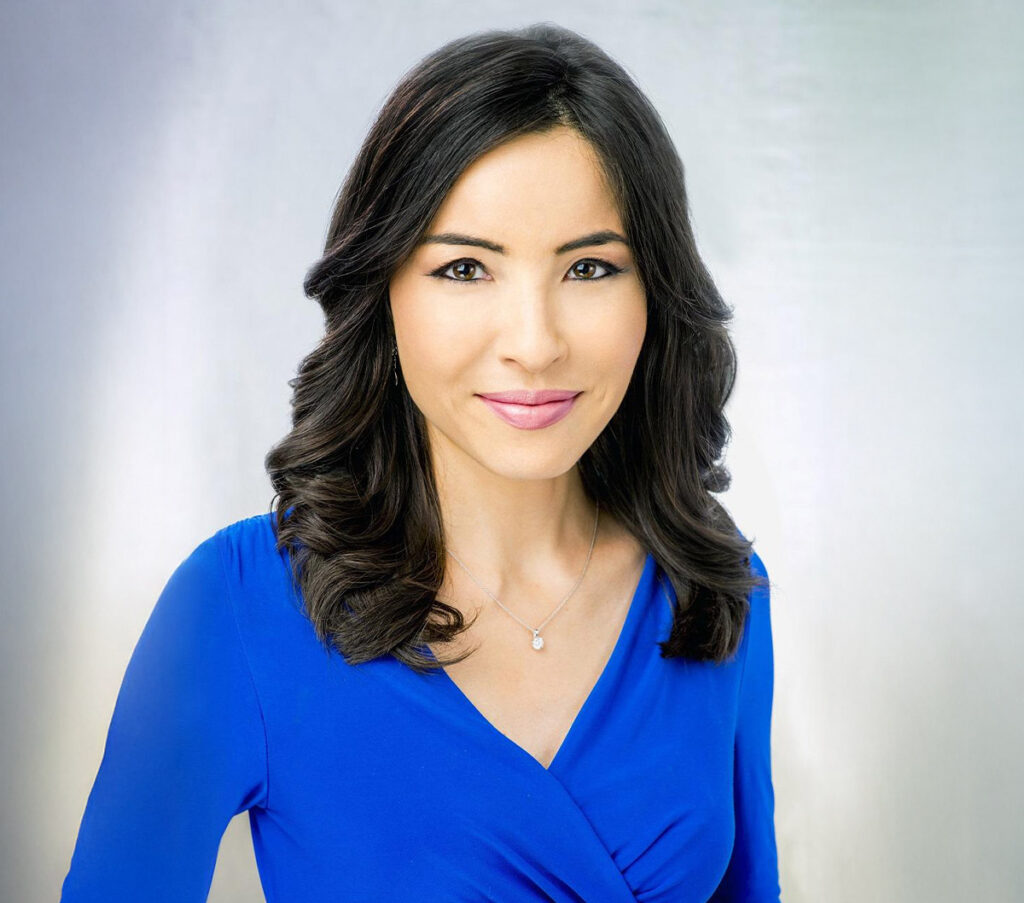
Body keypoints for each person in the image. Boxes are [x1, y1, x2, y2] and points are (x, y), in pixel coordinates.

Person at [61, 22, 780, 902]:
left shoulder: (716, 587)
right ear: (384, 289)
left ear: (655, 296)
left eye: (590, 267)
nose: (534, 343)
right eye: (467, 269)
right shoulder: (236, 608)